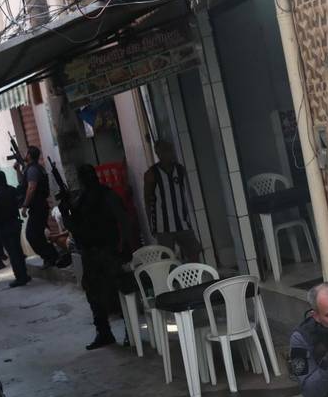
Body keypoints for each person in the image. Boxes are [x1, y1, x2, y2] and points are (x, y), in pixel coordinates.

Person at [63, 164, 131, 349]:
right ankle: (104, 332)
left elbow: (123, 220)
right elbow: (75, 226)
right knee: (95, 295)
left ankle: (128, 332)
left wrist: (124, 245)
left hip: (107, 251)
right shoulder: (82, 199)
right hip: (92, 252)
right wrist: (66, 210)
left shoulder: (105, 196)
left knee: (117, 294)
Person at [143, 140, 201, 262]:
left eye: (170, 149)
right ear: (158, 153)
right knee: (167, 259)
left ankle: (195, 273)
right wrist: (151, 225)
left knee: (194, 251)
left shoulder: (180, 170)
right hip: (162, 226)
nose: (170, 153)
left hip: (182, 222)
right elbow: (147, 200)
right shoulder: (151, 174)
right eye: (165, 150)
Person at [0, 170, 31, 288]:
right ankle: (24, 274)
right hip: (15, 223)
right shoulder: (12, 189)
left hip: (3, 226)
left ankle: (20, 277)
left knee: (12, 252)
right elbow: (19, 202)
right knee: (18, 250)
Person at [20, 146, 60, 267]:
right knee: (38, 235)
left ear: (29, 155)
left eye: (26, 153)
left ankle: (51, 256)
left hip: (38, 207)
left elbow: (31, 187)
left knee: (32, 235)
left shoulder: (32, 170)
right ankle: (51, 257)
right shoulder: (35, 168)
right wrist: (18, 170)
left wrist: (25, 205)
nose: (24, 155)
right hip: (39, 206)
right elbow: (24, 184)